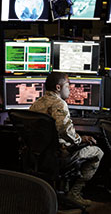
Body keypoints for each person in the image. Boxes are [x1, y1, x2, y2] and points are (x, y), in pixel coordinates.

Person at [28, 71, 104, 206]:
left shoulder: (37, 103)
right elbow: (65, 130)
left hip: (38, 155)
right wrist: (81, 139)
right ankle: (74, 193)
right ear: (58, 88)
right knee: (97, 152)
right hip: (59, 156)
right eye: (68, 86)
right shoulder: (59, 104)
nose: (70, 89)